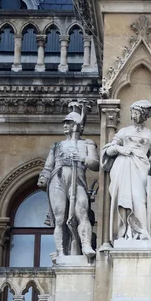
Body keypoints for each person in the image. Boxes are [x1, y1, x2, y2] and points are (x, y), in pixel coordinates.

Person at [38, 104, 99, 258]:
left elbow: (96, 164)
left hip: (77, 179)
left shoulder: (87, 143)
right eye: (65, 123)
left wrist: (83, 158)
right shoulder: (57, 146)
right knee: (60, 218)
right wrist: (43, 177)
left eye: (69, 123)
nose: (65, 126)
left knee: (82, 213)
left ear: (77, 126)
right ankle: (61, 252)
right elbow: (48, 166)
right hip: (58, 179)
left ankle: (85, 245)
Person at [101, 100, 151, 242]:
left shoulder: (150, 135)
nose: (134, 115)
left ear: (143, 115)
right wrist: (120, 149)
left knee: (139, 199)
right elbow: (109, 150)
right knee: (124, 198)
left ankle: (141, 232)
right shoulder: (124, 132)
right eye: (133, 112)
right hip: (123, 166)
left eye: (137, 112)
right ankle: (124, 233)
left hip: (141, 168)